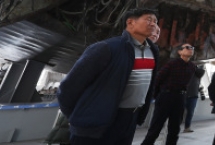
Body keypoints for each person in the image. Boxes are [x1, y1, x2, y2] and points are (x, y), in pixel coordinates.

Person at [57, 8, 159, 145]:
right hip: (97, 122)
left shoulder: (152, 51)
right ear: (130, 22)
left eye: (155, 21)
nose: (153, 24)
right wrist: (79, 117)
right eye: (148, 19)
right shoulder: (107, 48)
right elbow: (69, 87)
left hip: (129, 120)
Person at [141, 43, 197, 145]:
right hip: (166, 96)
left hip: (180, 98)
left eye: (192, 48)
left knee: (174, 130)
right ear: (180, 51)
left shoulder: (192, 66)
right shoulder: (172, 64)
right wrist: (158, 95)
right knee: (155, 128)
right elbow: (158, 79)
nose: (191, 49)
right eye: (187, 47)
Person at [183, 64, 206, 132]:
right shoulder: (191, 74)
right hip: (186, 95)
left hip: (192, 96)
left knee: (189, 113)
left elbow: (201, 71)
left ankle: (187, 127)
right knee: (183, 113)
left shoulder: (197, 74)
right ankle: (183, 127)